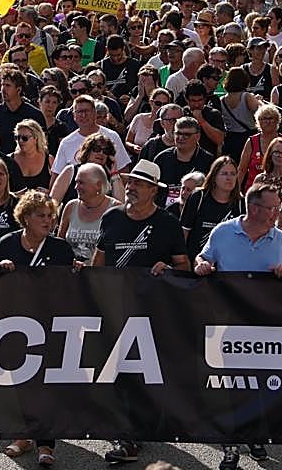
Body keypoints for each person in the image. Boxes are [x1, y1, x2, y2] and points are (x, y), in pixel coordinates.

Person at [91, 159, 190, 466]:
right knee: (118, 370)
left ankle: (136, 430)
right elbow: (99, 261)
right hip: (116, 306)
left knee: (143, 372)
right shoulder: (110, 218)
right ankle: (127, 434)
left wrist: (169, 268)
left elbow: (184, 266)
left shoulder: (167, 223)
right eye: (129, 182)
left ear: (153, 191)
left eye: (138, 184)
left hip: (153, 310)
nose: (130, 187)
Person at [194, 184, 282, 469]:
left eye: (278, 207)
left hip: (265, 327)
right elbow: (203, 258)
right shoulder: (224, 232)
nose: (278, 213)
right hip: (228, 324)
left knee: (260, 384)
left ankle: (254, 434)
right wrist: (201, 264)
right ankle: (230, 444)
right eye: (272, 208)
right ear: (254, 208)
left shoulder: (281, 240)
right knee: (231, 386)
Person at [0, 191, 77, 467]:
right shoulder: (6, 243)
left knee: (46, 383)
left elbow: (70, 289)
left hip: (49, 323)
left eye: (51, 216)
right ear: (25, 217)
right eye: (41, 216)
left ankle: (46, 443)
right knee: (20, 381)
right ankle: (23, 434)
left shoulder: (61, 249)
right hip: (14, 323)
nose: (48, 221)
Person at [180, 156, 244, 258]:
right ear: (214, 176)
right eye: (224, 174)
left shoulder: (241, 203)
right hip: (196, 260)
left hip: (226, 264)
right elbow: (184, 231)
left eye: (233, 174)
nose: (229, 178)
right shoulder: (198, 197)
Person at [57, 163, 120, 263]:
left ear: (98, 185)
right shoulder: (71, 206)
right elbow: (59, 244)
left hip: (101, 275)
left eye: (81, 183)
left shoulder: (115, 209)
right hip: (71, 274)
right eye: (76, 182)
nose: (76, 187)